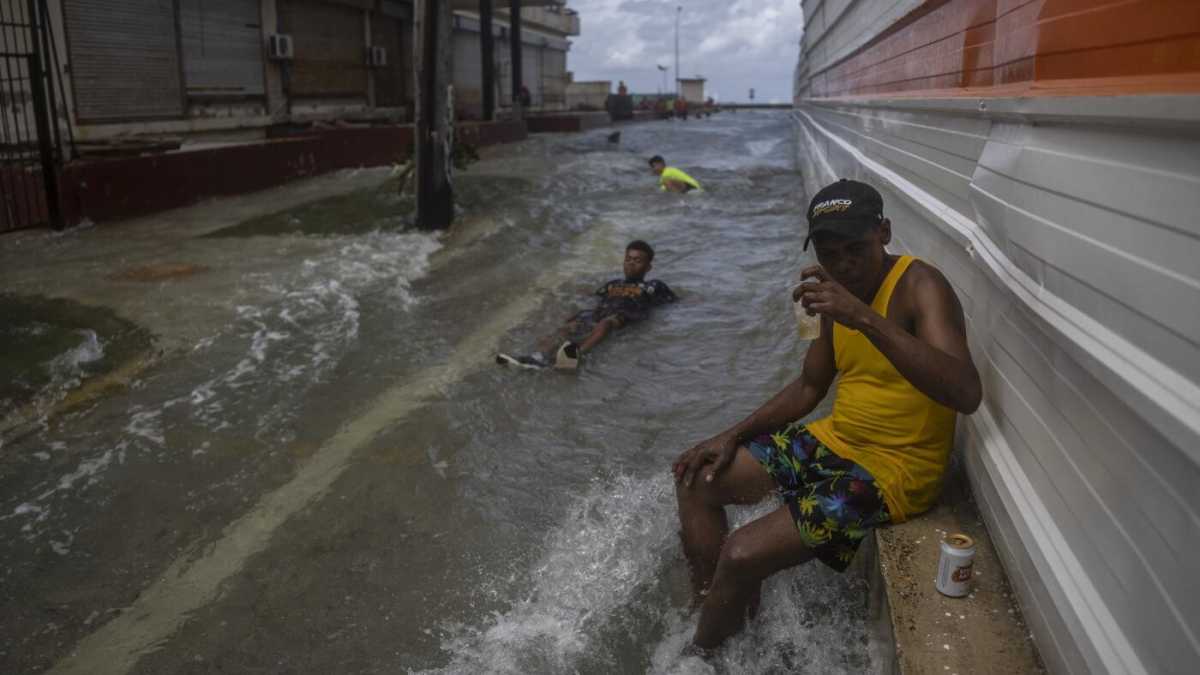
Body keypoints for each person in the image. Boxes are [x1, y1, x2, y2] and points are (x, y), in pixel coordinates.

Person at [672, 178, 982, 650]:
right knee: (697, 480)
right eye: (828, 252)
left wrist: (862, 317)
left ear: (884, 232)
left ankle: (702, 657)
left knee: (740, 553)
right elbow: (810, 386)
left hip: (896, 471)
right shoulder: (829, 291)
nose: (842, 265)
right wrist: (729, 435)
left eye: (855, 248)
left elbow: (965, 392)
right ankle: (714, 611)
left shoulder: (921, 285)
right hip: (836, 440)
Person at [496, 240, 677, 370]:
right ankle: (536, 358)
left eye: (637, 261)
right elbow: (592, 295)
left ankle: (576, 355)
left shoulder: (653, 285)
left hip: (625, 315)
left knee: (605, 324)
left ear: (648, 267)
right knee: (568, 326)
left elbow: (674, 302)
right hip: (599, 313)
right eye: (628, 259)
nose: (631, 263)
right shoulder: (612, 284)